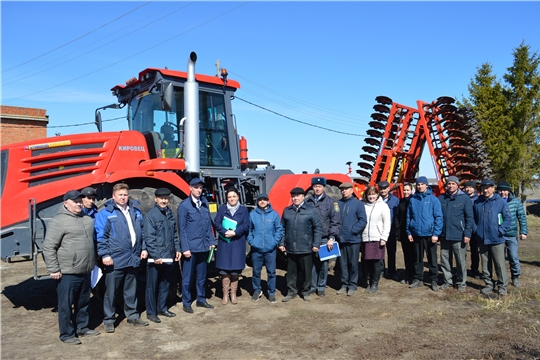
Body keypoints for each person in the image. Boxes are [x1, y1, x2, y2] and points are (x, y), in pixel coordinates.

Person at [43, 190, 99, 345]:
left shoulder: (87, 219)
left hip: (86, 269)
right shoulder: (58, 221)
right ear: (65, 203)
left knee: (84, 301)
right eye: (75, 202)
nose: (79, 204)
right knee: (66, 305)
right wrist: (53, 269)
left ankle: (82, 327)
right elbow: (48, 247)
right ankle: (67, 334)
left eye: (80, 201)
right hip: (68, 271)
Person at [95, 183, 149, 333]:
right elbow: (101, 236)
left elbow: (142, 232)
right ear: (114, 196)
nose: (123, 197)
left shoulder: (135, 212)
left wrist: (143, 248)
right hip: (115, 258)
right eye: (120, 195)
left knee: (131, 289)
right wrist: (105, 254)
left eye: (125, 194)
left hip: (133, 257)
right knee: (111, 291)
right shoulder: (105, 213)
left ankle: (132, 315)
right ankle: (109, 320)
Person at [144, 188, 181, 323]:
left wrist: (177, 249)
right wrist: (155, 256)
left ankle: (162, 308)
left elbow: (174, 235)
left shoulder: (170, 214)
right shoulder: (151, 215)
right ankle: (151, 312)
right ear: (156, 199)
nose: (164, 201)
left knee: (165, 283)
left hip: (168, 255)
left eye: (166, 198)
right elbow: (149, 238)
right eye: (161, 198)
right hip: (156, 258)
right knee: (152, 285)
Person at [177, 178, 215, 313]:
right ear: (190, 189)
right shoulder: (184, 206)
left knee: (202, 276)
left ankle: (201, 299)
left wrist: (212, 242)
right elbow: (181, 229)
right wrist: (185, 248)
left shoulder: (204, 204)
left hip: (204, 247)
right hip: (191, 248)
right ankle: (186, 302)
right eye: (196, 187)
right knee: (187, 277)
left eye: (200, 188)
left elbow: (208, 225)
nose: (199, 190)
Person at [279, 187, 322, 302]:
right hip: (291, 247)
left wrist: (316, 244)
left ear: (303, 196)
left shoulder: (311, 210)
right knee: (291, 272)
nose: (295, 198)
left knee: (307, 272)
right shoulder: (287, 211)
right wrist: (282, 242)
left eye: (297, 196)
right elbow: (282, 228)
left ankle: (306, 291)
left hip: (306, 247)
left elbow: (317, 228)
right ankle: (291, 291)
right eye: (293, 196)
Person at [473, 179, 512, 295]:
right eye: (483, 188)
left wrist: (500, 230)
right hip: (482, 238)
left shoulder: (500, 202)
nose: (485, 190)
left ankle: (502, 286)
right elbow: (473, 219)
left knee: (499, 263)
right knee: (485, 264)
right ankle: (488, 284)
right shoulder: (477, 202)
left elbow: (508, 218)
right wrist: (477, 230)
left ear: (493, 188)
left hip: (497, 239)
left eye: (488, 188)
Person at [406, 176, 443, 291]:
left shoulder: (433, 200)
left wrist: (436, 234)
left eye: (422, 184)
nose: (420, 186)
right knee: (417, 258)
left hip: (430, 234)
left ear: (427, 185)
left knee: (432, 258)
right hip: (416, 234)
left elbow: (438, 217)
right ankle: (418, 278)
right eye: (418, 184)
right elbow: (409, 217)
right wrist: (409, 232)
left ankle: (433, 279)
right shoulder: (413, 200)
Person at [438, 176, 474, 293]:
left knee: (460, 260)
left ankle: (461, 282)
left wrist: (467, 233)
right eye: (449, 184)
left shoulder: (464, 199)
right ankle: (447, 280)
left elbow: (469, 218)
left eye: (453, 183)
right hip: (444, 235)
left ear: (458, 185)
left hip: (459, 235)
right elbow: (438, 217)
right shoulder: (441, 199)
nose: (451, 186)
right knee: (444, 260)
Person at [305, 177, 340, 297]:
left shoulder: (331, 202)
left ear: (324, 188)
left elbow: (335, 222)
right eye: (315, 186)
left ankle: (321, 287)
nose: (317, 188)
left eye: (319, 186)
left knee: (324, 264)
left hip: (325, 238)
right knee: (312, 264)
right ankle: (312, 286)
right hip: (310, 237)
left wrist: (332, 238)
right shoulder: (308, 202)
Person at [214, 187, 249, 305]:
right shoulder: (222, 209)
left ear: (238, 197)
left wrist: (235, 232)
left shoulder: (243, 210)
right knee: (224, 270)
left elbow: (246, 225)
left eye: (234, 196)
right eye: (229, 197)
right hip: (225, 243)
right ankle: (225, 293)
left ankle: (233, 293)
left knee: (235, 270)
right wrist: (224, 231)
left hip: (237, 242)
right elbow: (217, 222)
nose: (231, 199)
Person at [247, 193, 284, 303]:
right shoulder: (252, 215)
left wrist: (274, 242)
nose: (262, 201)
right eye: (260, 200)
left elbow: (279, 230)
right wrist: (252, 242)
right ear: (257, 202)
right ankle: (257, 290)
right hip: (256, 249)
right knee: (256, 272)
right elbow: (248, 230)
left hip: (270, 250)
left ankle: (271, 293)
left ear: (268, 201)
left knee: (271, 272)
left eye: (264, 199)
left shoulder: (274, 215)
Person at [336, 182, 367, 296]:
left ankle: (353, 285)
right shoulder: (338, 204)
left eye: (346, 189)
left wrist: (353, 230)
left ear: (351, 190)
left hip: (353, 239)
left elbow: (362, 220)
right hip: (341, 239)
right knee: (343, 264)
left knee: (353, 263)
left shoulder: (358, 204)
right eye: (342, 189)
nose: (344, 191)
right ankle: (344, 284)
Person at [497, 180, 528, 288]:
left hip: (511, 235)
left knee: (513, 257)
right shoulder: (495, 201)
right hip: (498, 235)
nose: (502, 192)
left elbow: (522, 217)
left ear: (508, 191)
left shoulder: (515, 202)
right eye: (500, 190)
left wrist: (523, 232)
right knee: (499, 259)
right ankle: (501, 278)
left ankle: (515, 277)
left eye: (505, 190)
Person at [361, 186, 391, 294]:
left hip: (377, 237)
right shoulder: (363, 205)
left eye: (373, 194)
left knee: (376, 262)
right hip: (365, 238)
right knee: (367, 261)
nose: (371, 196)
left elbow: (387, 223)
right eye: (369, 194)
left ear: (377, 195)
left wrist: (384, 237)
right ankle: (368, 281)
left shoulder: (383, 206)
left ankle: (374, 283)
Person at [377, 180, 400, 281]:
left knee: (391, 252)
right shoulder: (376, 200)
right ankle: (381, 271)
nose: (382, 191)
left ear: (388, 188)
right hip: (379, 231)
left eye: (384, 189)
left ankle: (392, 271)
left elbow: (398, 215)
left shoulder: (395, 200)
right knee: (380, 252)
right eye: (381, 189)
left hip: (391, 231)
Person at [395, 183, 415, 285]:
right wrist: (398, 230)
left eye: (408, 190)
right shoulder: (401, 202)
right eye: (405, 190)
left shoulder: (415, 201)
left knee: (414, 255)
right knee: (406, 254)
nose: (406, 192)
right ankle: (408, 273)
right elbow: (397, 217)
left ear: (412, 190)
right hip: (403, 233)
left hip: (413, 233)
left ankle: (414, 275)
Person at [463, 180, 481, 278]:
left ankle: (475, 269)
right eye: (467, 187)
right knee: (462, 251)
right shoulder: (462, 198)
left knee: (474, 251)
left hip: (474, 230)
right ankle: (462, 269)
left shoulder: (478, 200)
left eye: (470, 187)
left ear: (474, 188)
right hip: (464, 229)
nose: (468, 189)